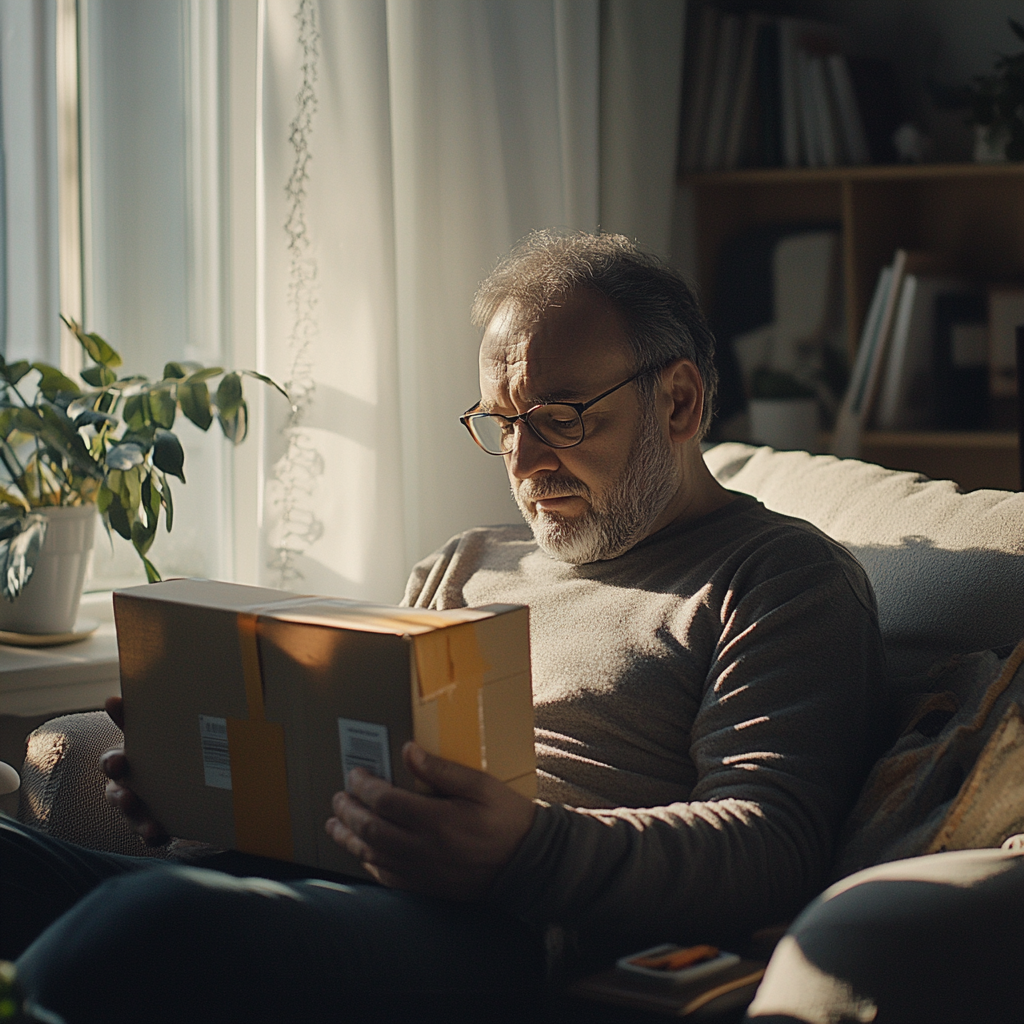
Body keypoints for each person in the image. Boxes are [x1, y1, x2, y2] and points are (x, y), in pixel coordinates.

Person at [1, 231, 887, 1023]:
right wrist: (203, 795)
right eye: (502, 423)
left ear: (680, 403)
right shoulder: (469, 562)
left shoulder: (781, 578)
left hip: (501, 931)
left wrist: (522, 849)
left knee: (150, 924)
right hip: (328, 886)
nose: (526, 461)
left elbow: (772, 842)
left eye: (560, 417)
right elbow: (346, 777)